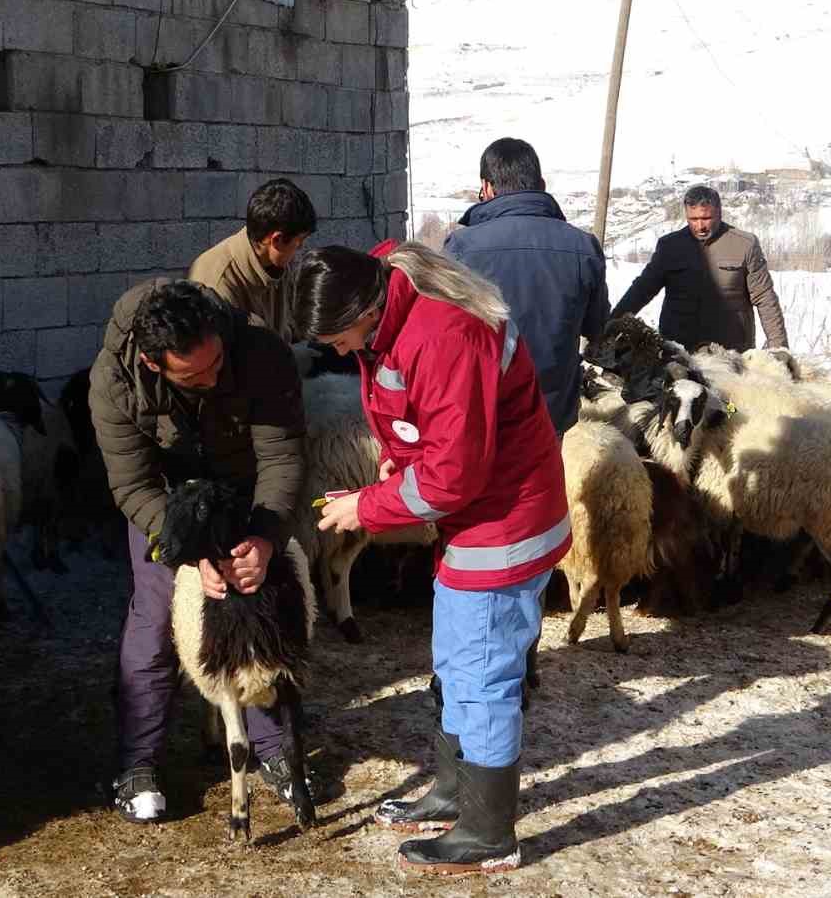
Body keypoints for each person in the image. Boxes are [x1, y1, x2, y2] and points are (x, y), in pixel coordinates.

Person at [291, 239, 570, 875]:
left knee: (484, 676)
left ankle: (488, 829)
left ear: (363, 311)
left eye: (338, 338)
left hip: (502, 523)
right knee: (454, 661)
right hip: (474, 521)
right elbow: (439, 426)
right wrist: (402, 456)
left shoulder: (444, 335)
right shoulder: (392, 297)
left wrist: (367, 506)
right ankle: (454, 791)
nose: (338, 353)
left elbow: (454, 474)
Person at [88, 278, 314, 824]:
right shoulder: (113, 383)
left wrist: (263, 536)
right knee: (156, 616)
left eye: (217, 365)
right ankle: (139, 762)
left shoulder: (259, 351)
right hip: (170, 503)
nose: (212, 380)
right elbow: (132, 486)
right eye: (194, 376)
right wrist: (186, 553)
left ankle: (270, 751)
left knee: (256, 608)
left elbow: (283, 456)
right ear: (151, 363)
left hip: (246, 492)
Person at [444, 137, 610, 435]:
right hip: (552, 416)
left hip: (482, 413)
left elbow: (441, 335)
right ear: (542, 185)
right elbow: (596, 327)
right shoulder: (583, 247)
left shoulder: (461, 248)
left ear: (487, 188)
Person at [612, 184, 789, 351]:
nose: (700, 226)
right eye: (693, 219)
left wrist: (779, 347)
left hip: (732, 352)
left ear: (719, 213)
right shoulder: (670, 246)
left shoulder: (745, 245)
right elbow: (642, 289)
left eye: (706, 218)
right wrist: (611, 326)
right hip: (679, 350)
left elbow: (765, 298)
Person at [189, 177, 318, 339]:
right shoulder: (217, 282)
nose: (300, 248)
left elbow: (292, 325)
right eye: (299, 241)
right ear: (276, 240)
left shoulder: (278, 262)